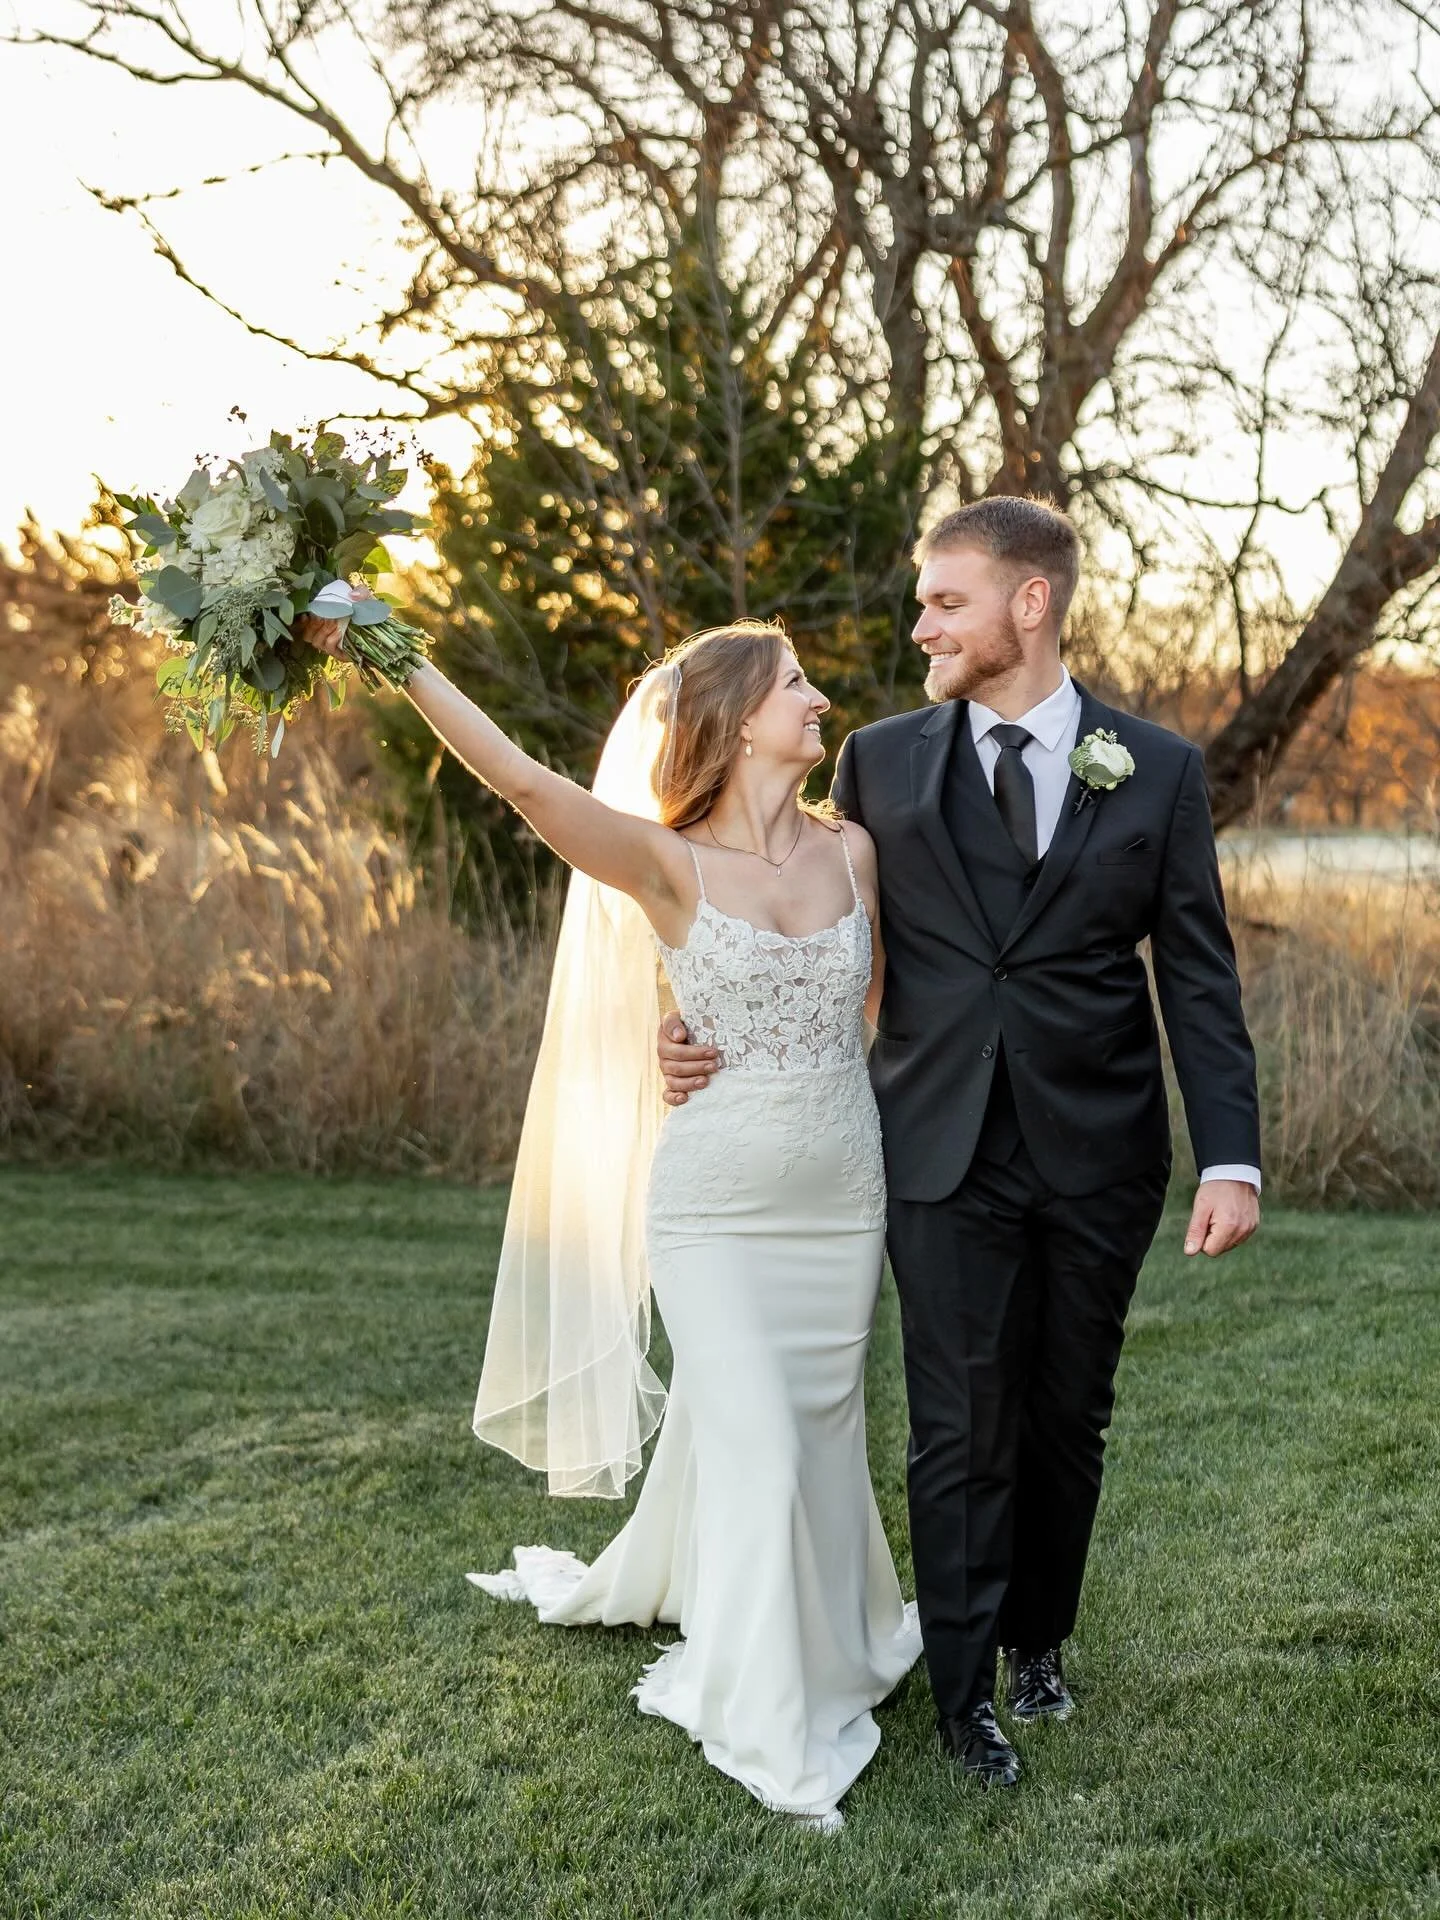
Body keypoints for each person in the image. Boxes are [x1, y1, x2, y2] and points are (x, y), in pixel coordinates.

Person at [659, 497, 1261, 1789]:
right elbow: (765, 885)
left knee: (1064, 1416)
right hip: (934, 1150)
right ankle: (963, 1692)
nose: (919, 620)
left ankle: (1042, 1638)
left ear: (1027, 606)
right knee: (956, 1421)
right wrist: (687, 1018)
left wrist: (1232, 1156)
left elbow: (1198, 976)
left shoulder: (1153, 769)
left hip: (1102, 1149)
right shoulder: (879, 761)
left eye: (946, 599)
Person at [298, 604, 921, 1830]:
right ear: (742, 720)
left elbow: (887, 1015)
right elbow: (527, 786)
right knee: (759, 1439)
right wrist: (385, 643)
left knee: (816, 1432)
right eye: (796, 683)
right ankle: (766, 1711)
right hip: (716, 1212)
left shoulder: (855, 854)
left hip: (842, 1201)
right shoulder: (668, 862)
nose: (819, 698)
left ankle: (835, 1641)